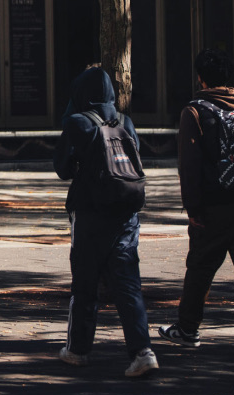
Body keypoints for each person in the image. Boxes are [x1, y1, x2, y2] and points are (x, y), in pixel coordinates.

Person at [157, 49, 234, 356]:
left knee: (200, 266)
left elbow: (189, 165)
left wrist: (193, 208)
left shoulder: (195, 111)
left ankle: (187, 329)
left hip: (217, 202)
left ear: (201, 78)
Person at [53, 66, 158, 377]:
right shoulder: (125, 121)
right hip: (126, 213)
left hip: (90, 214)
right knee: (128, 283)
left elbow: (62, 168)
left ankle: (78, 350)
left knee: (85, 283)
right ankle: (142, 352)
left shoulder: (77, 121)